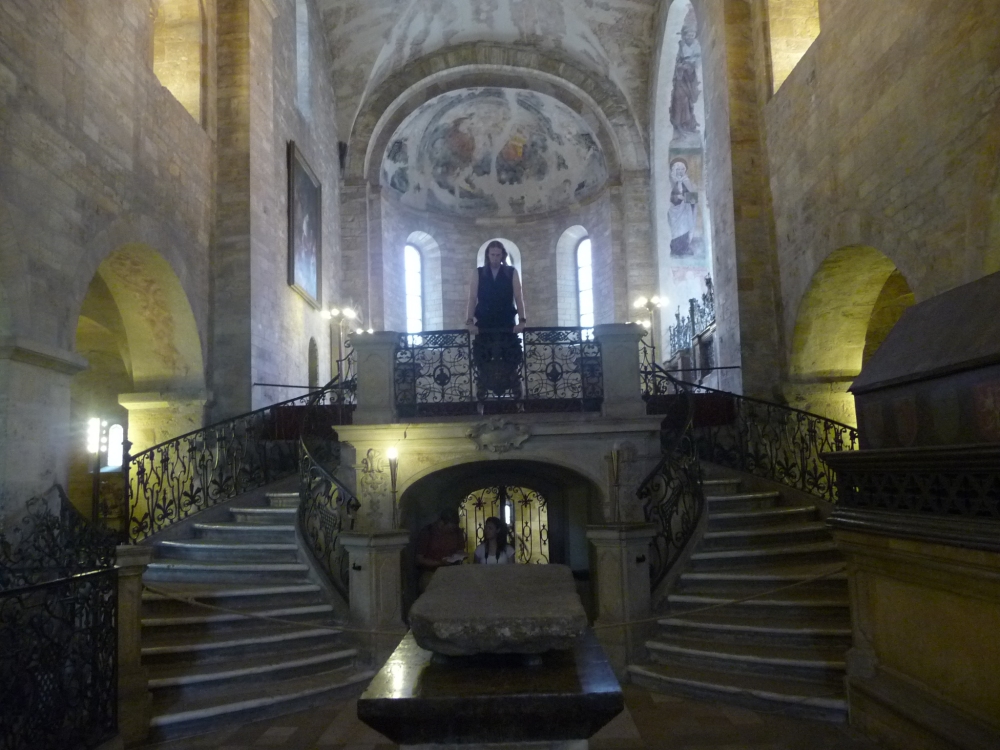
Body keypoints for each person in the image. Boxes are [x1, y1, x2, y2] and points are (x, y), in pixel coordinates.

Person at [465, 241, 527, 399]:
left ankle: (518, 399)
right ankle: (480, 399)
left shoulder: (511, 272)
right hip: (484, 323)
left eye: (498, 255)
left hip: (506, 322)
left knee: (511, 362)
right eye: (492, 254)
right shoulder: (478, 273)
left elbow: (518, 297)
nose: (495, 258)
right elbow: (472, 298)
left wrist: (522, 321)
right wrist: (470, 322)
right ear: (487, 255)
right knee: (482, 362)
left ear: (502, 255)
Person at [415, 507, 466, 593]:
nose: (451, 532)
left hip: (452, 572)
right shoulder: (428, 532)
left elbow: (460, 550)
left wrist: (458, 557)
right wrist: (440, 563)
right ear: (442, 523)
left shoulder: (457, 532)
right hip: (431, 573)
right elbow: (419, 559)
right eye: (449, 529)